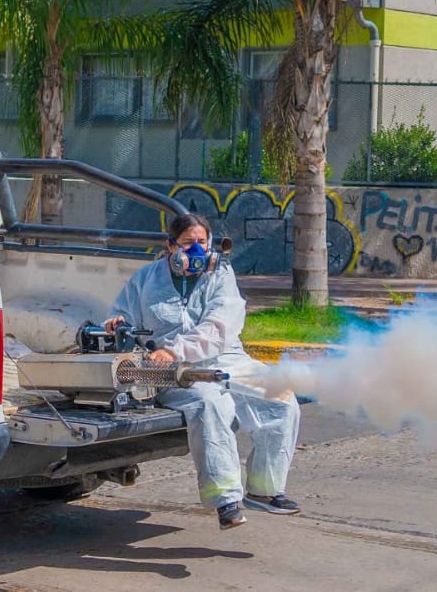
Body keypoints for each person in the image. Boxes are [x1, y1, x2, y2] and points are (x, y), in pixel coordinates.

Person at [104, 212, 302, 530]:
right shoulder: (145, 279)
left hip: (227, 360)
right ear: (170, 246)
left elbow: (219, 327)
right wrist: (115, 324)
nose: (196, 250)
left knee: (281, 400)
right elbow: (119, 313)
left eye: (202, 242)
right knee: (210, 405)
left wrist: (176, 348)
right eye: (187, 243)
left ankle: (264, 491)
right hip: (172, 371)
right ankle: (225, 500)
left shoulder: (220, 275)